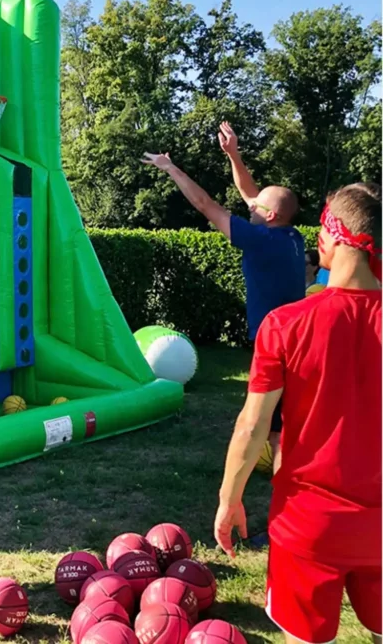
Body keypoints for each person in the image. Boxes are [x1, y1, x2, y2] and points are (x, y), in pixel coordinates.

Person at [214, 182, 381, 644]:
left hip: (308, 526)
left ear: (336, 235)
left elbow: (252, 426)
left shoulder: (286, 324)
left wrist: (230, 500)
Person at [143, 121, 305, 471]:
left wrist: (171, 168)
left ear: (270, 215)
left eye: (256, 207)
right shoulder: (290, 236)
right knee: (287, 416)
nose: (250, 207)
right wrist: (233, 155)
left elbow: (205, 204)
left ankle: (288, 491)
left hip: (274, 343)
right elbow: (251, 193)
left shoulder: (260, 240)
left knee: (272, 425)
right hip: (294, 340)